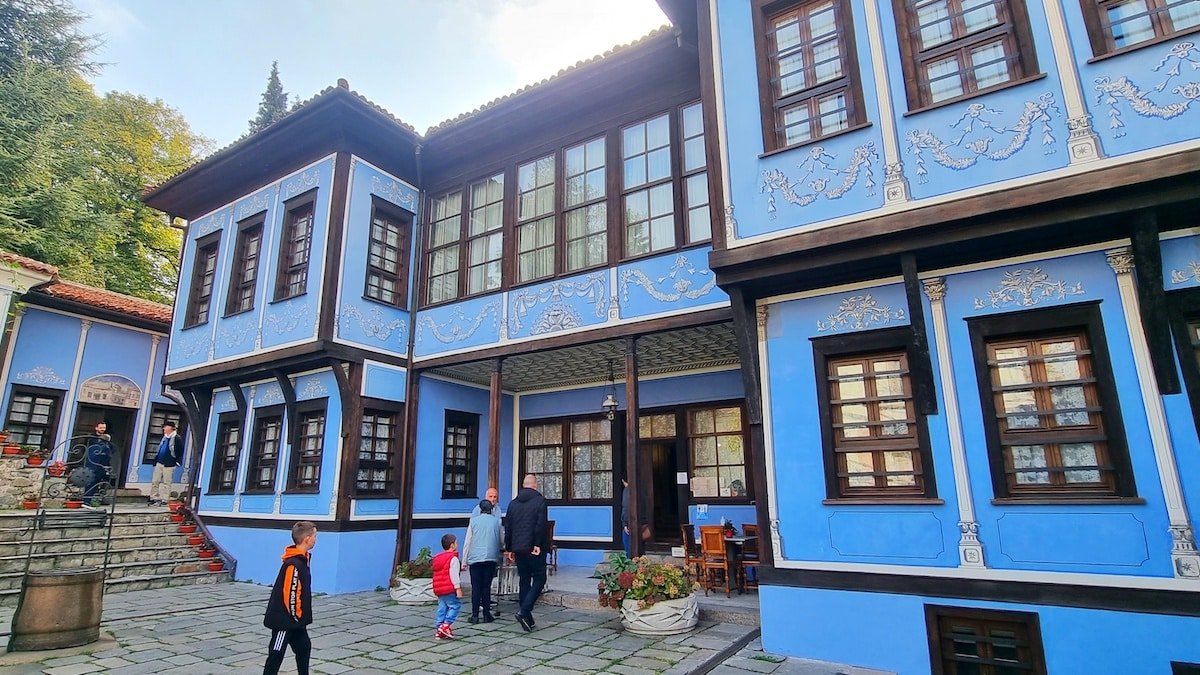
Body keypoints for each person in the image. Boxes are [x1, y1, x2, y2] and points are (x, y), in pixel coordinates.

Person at [264, 521, 317, 675]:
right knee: (276, 653)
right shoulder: (293, 564)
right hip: (285, 621)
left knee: (304, 647)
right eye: (314, 536)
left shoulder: (302, 560)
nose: (315, 539)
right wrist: (297, 616)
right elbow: (290, 594)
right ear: (307, 538)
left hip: (296, 622)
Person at [504, 473, 548, 632]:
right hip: (533, 547)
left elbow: (508, 527)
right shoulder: (539, 501)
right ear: (535, 485)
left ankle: (527, 618)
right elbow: (540, 524)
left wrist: (509, 548)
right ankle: (524, 611)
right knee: (539, 579)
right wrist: (537, 544)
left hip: (518, 548)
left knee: (524, 580)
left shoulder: (513, 503)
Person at [461, 498, 501, 624]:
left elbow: (468, 542)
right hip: (491, 557)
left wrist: (464, 560)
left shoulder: (473, 521)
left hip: (475, 558)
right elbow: (501, 540)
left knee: (476, 587)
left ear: (480, 509)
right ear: (491, 510)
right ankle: (487, 614)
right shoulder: (497, 522)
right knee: (486, 587)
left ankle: (474, 615)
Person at [431, 533, 463, 640]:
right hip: (449, 587)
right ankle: (446, 625)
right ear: (452, 545)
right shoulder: (453, 558)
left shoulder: (438, 558)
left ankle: (439, 628)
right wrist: (457, 588)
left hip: (439, 588)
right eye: (456, 543)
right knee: (455, 605)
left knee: (442, 608)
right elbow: (453, 574)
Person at [150, 422, 182, 506]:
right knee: (155, 481)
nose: (163, 429)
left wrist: (176, 461)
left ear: (170, 428)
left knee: (167, 482)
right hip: (159, 462)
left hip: (169, 463)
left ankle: (165, 499)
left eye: (165, 427)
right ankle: (153, 497)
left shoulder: (176, 438)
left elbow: (179, 451)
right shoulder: (164, 438)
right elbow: (160, 448)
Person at [82, 422, 113, 501]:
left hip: (102, 464)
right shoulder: (91, 438)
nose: (102, 429)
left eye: (104, 428)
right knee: (90, 481)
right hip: (91, 463)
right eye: (101, 428)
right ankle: (86, 500)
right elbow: (85, 449)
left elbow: (110, 451)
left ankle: (92, 499)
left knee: (98, 482)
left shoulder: (106, 440)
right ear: (96, 428)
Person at [620, 477, 650, 557]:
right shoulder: (641, 491)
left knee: (630, 550)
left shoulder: (628, 491)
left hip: (632, 523)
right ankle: (641, 567)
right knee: (640, 550)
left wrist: (625, 524)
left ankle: (633, 568)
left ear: (623, 480)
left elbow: (626, 507)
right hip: (643, 523)